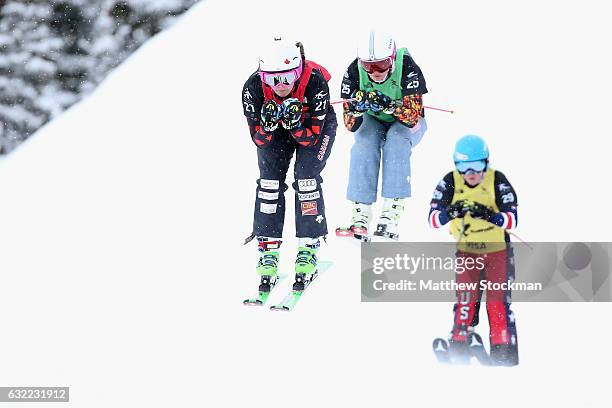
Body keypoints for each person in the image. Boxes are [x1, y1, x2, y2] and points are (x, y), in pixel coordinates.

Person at [241, 37, 337, 293]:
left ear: (298, 72)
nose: (281, 85)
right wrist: (269, 125)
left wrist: (295, 124)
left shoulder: (315, 82)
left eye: (287, 77)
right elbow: (259, 140)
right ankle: (268, 249)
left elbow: (312, 139)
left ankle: (308, 246)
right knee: (269, 183)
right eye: (272, 79)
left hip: (312, 128)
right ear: (262, 77)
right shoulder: (253, 88)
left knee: (306, 178)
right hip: (277, 132)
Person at [428, 134, 519, 366]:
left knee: (496, 303)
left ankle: (502, 352)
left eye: (477, 166)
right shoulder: (450, 181)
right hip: (467, 251)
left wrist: (490, 214)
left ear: (486, 163)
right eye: (464, 167)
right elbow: (433, 220)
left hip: (497, 252)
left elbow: (513, 220)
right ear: (456, 165)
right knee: (466, 299)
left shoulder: (497, 180)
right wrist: (452, 211)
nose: (471, 173)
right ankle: (459, 344)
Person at [336, 30, 428, 240]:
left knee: (396, 142)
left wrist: (389, 106)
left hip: (405, 121)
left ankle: (391, 213)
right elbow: (350, 125)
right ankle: (360, 213)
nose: (375, 71)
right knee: (364, 143)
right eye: (368, 66)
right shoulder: (353, 71)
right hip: (373, 118)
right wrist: (356, 109)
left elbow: (413, 117)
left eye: (382, 65)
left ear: (392, 58)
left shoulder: (407, 66)